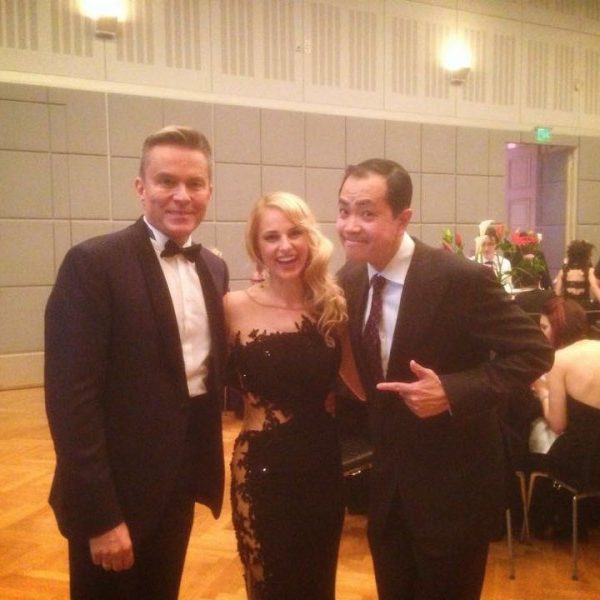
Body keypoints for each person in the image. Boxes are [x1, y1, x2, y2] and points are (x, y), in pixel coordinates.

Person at [335, 158, 554, 600]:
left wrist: (453, 391)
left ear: (403, 218)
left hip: (454, 491)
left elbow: (535, 350)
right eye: (343, 210)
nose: (350, 225)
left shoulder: (459, 279)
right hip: (389, 492)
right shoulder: (350, 278)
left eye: (367, 212)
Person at [45, 126, 228, 599]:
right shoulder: (93, 264)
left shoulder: (213, 268)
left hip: (179, 483)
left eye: (195, 183)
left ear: (210, 190)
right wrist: (100, 517)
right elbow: (71, 403)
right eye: (167, 181)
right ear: (141, 187)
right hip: (114, 493)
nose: (182, 195)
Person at [224, 191, 347, 599]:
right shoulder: (232, 307)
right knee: (268, 587)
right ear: (256, 247)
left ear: (310, 238)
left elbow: (359, 385)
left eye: (295, 233)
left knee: (318, 586)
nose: (285, 246)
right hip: (262, 470)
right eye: (271, 237)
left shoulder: (332, 308)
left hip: (321, 468)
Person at [530, 297, 600, 536]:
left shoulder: (560, 360)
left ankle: (542, 523)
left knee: (538, 454)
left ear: (559, 327)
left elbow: (558, 424)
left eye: (544, 327)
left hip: (583, 458)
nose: (541, 334)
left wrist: (542, 393)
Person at [554, 239, 600, 306]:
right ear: (586, 256)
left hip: (567, 307)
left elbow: (557, 292)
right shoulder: (589, 271)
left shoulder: (563, 271)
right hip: (584, 308)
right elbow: (594, 287)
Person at [473, 225, 513, 292]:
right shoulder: (472, 262)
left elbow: (509, 286)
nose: (486, 249)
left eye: (490, 244)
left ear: (496, 244)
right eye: (483, 244)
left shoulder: (505, 263)